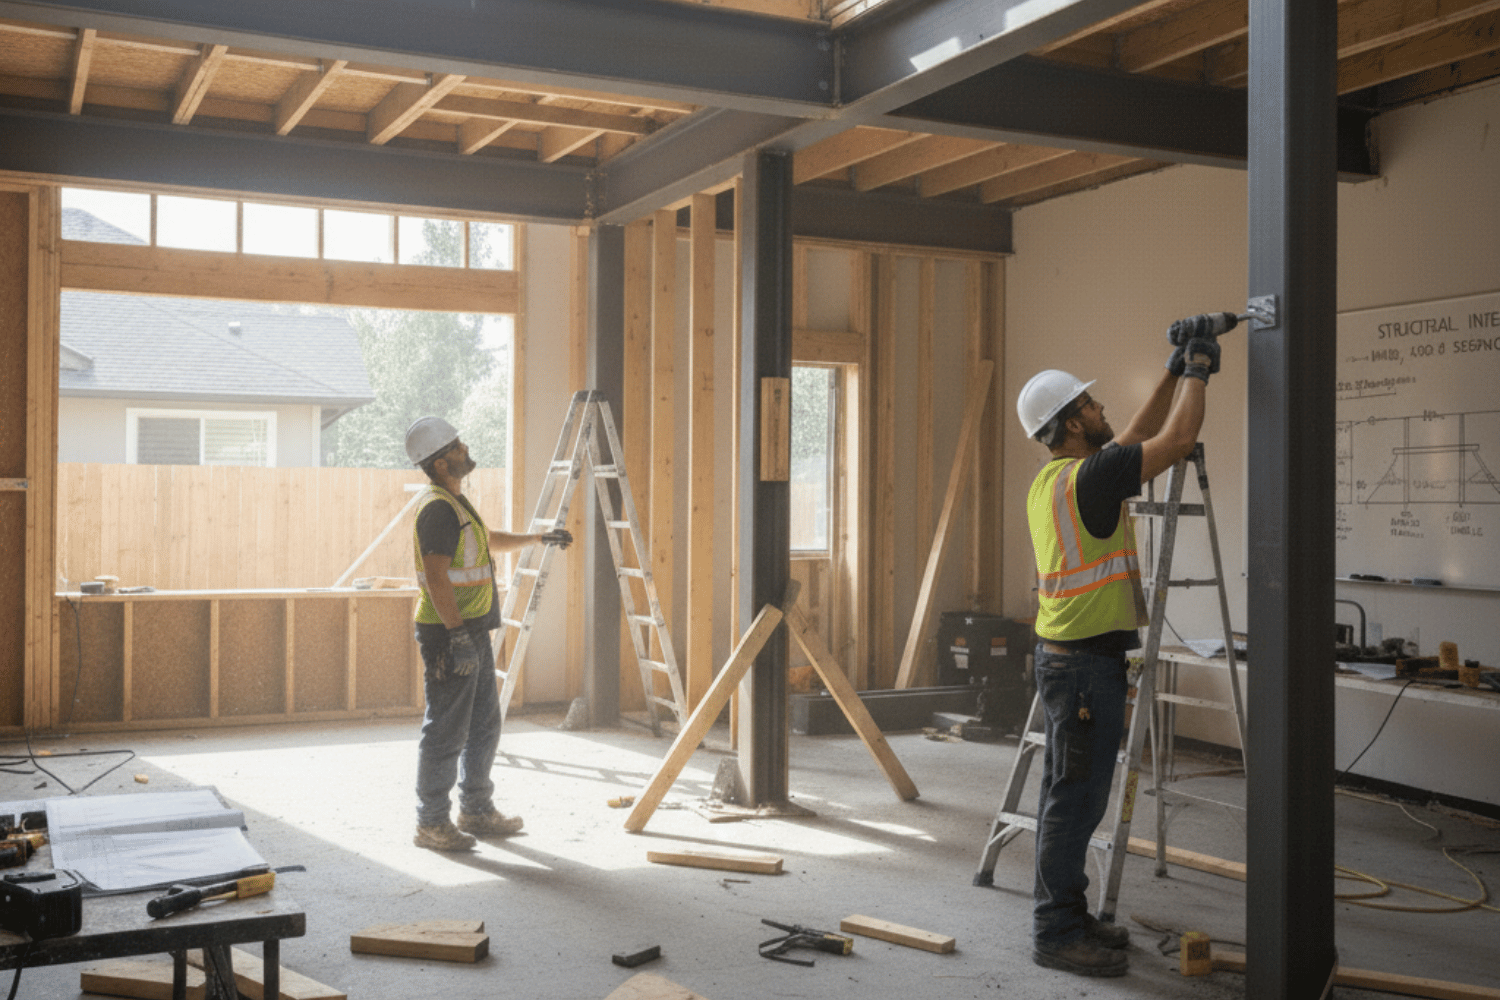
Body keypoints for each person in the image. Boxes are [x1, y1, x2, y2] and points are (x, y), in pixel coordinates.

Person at [1015, 321, 1225, 977]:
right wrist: (1198, 370)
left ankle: (1069, 917)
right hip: (1083, 668)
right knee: (1076, 803)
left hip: (1066, 660)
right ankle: (1056, 933)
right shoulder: (1092, 479)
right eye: (1090, 402)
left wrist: (1171, 369)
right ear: (1072, 423)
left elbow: (1132, 438)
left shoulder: (1057, 479)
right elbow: (1176, 441)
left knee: (1069, 798)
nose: (1101, 407)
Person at [404, 415, 572, 852]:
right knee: (446, 729)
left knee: (483, 724)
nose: (466, 449)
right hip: (449, 634)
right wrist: (457, 635)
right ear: (441, 463)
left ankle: (476, 809)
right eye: (457, 447)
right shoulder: (438, 509)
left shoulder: (457, 503)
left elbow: (487, 539)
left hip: (471, 630)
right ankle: (431, 823)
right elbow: (436, 578)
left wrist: (537, 538)